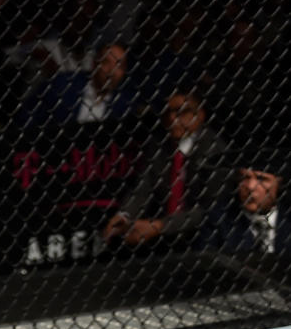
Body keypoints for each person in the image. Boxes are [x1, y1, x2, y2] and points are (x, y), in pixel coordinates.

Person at [102, 88, 229, 249]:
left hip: (203, 237)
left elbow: (209, 210)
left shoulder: (215, 150)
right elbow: (143, 187)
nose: (172, 118)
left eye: (181, 112)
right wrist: (125, 215)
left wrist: (160, 226)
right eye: (167, 112)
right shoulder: (158, 145)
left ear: (200, 115)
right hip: (162, 240)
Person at [197, 144, 288, 256]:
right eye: (244, 177)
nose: (250, 186)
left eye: (261, 179)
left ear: (279, 184)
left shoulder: (286, 218)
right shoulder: (218, 218)